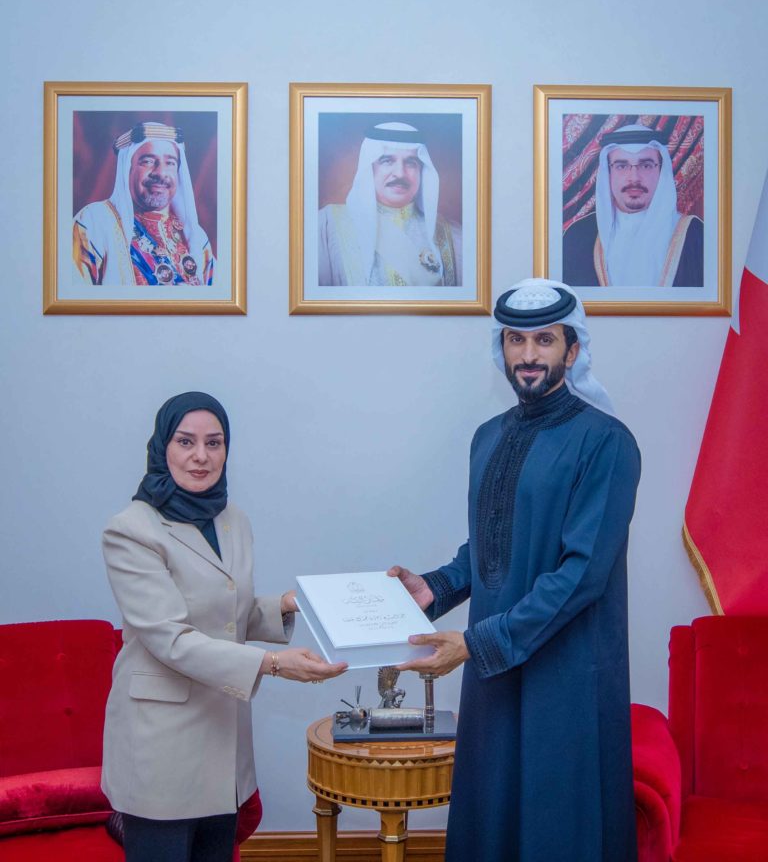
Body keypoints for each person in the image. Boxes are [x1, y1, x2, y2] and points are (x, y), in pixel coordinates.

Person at [389, 278, 641, 862]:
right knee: (492, 820)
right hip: (496, 672)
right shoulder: (488, 437)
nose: (528, 355)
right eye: (515, 341)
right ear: (500, 348)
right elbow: (493, 544)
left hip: (567, 673)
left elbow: (582, 574)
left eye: (544, 341)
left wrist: (480, 643)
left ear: (571, 350)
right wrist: (437, 587)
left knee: (560, 823)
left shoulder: (607, 442)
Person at [101, 392, 347, 862]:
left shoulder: (232, 519)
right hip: (162, 745)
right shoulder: (131, 530)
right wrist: (273, 664)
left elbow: (224, 612)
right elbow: (170, 637)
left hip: (223, 739)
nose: (201, 456)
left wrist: (290, 604)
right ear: (161, 447)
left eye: (214, 443)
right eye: (185, 441)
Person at [318, 121, 462, 286]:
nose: (400, 173)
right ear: (369, 168)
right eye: (387, 161)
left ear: (421, 171)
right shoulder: (328, 227)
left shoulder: (452, 234)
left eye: (411, 163)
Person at [73, 122, 216, 286]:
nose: (161, 172)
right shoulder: (94, 222)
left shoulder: (195, 237)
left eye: (170, 163)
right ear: (127, 168)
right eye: (148, 161)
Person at [563, 123, 703, 287]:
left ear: (661, 171)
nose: (634, 177)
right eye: (622, 166)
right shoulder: (578, 235)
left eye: (646, 165)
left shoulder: (694, 235)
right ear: (608, 173)